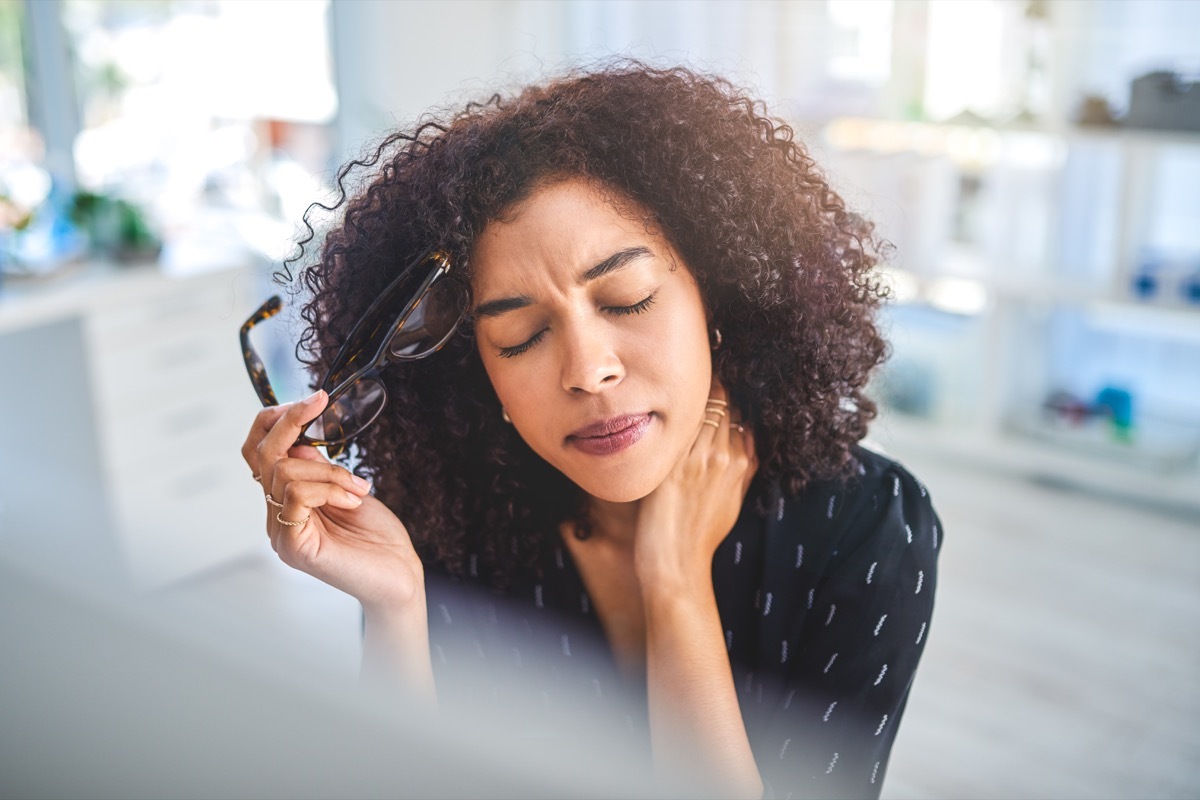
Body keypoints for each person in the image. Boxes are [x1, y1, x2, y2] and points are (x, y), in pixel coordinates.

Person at [241, 63, 942, 799]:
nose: (587, 369)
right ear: (477, 369)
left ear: (716, 299)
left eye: (629, 299)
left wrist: (675, 583)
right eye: (519, 335)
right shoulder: (455, 523)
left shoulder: (866, 529)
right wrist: (395, 606)